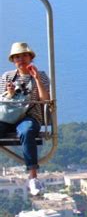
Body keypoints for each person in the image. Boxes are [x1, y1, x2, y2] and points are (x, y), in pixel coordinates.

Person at [0, 42, 50, 196]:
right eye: (16, 57)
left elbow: (45, 99)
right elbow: (3, 100)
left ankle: (33, 177)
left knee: (27, 131)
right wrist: (10, 93)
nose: (20, 59)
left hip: (29, 116)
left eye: (23, 55)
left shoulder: (40, 75)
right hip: (9, 116)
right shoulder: (7, 76)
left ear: (30, 57)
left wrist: (36, 79)